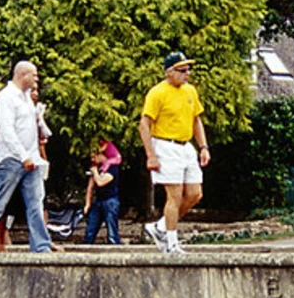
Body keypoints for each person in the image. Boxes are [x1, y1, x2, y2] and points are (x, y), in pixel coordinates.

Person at [0, 60, 53, 253]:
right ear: (22, 75)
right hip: (11, 158)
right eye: (34, 75)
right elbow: (6, 130)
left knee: (35, 203)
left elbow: (31, 129)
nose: (37, 78)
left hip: (31, 159)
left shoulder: (27, 98)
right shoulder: (5, 97)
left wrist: (34, 156)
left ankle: (41, 246)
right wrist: (22, 155)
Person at [138, 51, 209, 253]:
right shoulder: (157, 93)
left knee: (195, 193)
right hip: (165, 145)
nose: (187, 73)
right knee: (174, 196)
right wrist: (151, 154)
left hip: (186, 146)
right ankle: (171, 243)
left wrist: (203, 146)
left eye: (188, 69)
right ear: (169, 72)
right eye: (182, 70)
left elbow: (196, 120)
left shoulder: (190, 91)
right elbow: (144, 124)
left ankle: (160, 227)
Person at [81, 139, 123, 245]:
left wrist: (95, 172)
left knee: (112, 231)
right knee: (90, 230)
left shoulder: (112, 168)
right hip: (98, 201)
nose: (93, 159)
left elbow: (101, 182)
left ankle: (115, 248)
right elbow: (90, 187)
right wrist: (87, 204)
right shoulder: (98, 168)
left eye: (94, 156)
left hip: (110, 200)